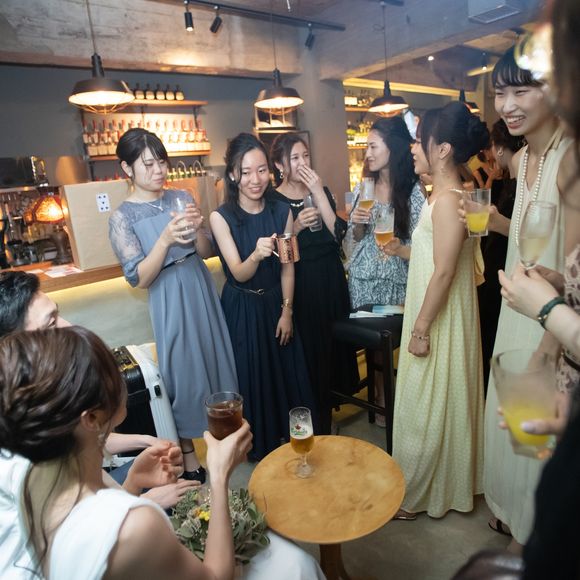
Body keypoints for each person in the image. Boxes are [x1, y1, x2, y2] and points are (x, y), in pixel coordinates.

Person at [0, 326, 325, 580]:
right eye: (112, 372)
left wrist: (133, 483)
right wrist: (219, 475)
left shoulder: (31, 475)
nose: (121, 378)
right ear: (91, 418)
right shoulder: (137, 526)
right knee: (297, 563)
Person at [480, 45, 572, 550]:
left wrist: (547, 350)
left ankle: (533, 539)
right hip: (516, 309)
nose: (508, 105)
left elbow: (573, 272)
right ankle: (517, 519)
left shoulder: (569, 157)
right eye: (500, 93)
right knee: (514, 428)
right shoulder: (522, 158)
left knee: (542, 432)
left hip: (554, 321)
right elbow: (525, 237)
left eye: (522, 90)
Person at [109, 128, 239, 482]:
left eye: (161, 162)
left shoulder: (180, 196)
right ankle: (188, 455)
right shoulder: (122, 218)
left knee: (216, 359)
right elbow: (140, 277)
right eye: (148, 164)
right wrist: (165, 239)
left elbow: (205, 251)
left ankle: (227, 438)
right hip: (167, 294)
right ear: (127, 169)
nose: (158, 170)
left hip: (198, 282)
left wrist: (198, 229)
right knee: (183, 374)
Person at [392, 101, 488, 519]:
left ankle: (413, 493)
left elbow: (445, 271)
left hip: (438, 317)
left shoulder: (449, 200)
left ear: (443, 149)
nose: (414, 148)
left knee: (425, 404)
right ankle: (442, 485)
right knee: (437, 400)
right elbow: (436, 259)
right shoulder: (445, 197)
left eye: (420, 140)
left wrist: (421, 328)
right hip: (438, 311)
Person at [209, 133, 317, 460]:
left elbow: (288, 267)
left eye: (261, 170)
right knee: (253, 379)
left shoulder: (281, 211)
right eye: (246, 172)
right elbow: (239, 272)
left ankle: (293, 445)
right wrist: (256, 254)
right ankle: (261, 452)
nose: (255, 180)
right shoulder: (221, 218)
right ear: (233, 174)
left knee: (288, 374)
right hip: (242, 307)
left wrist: (287, 311)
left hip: (275, 303)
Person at [269, 133, 358, 431]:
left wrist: (318, 191)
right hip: (302, 280)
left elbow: (339, 235)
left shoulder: (322, 191)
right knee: (310, 352)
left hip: (331, 276)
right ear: (280, 164)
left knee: (333, 348)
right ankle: (315, 420)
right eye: (295, 158)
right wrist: (295, 226)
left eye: (305, 156)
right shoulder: (274, 200)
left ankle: (329, 411)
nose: (303, 162)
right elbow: (277, 252)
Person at [344, 116, 424, 309]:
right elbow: (356, 238)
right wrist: (358, 222)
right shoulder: (363, 189)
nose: (367, 154)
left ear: (393, 147)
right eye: (367, 147)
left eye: (373, 147)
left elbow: (422, 243)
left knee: (397, 329)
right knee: (363, 328)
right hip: (363, 280)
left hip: (399, 280)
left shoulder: (414, 191)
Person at [477, 120, 524, 391]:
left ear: (499, 148)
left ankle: (489, 391)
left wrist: (495, 223)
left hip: (502, 267)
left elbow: (520, 230)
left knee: (491, 331)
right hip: (497, 262)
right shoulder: (509, 180)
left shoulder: (518, 181)